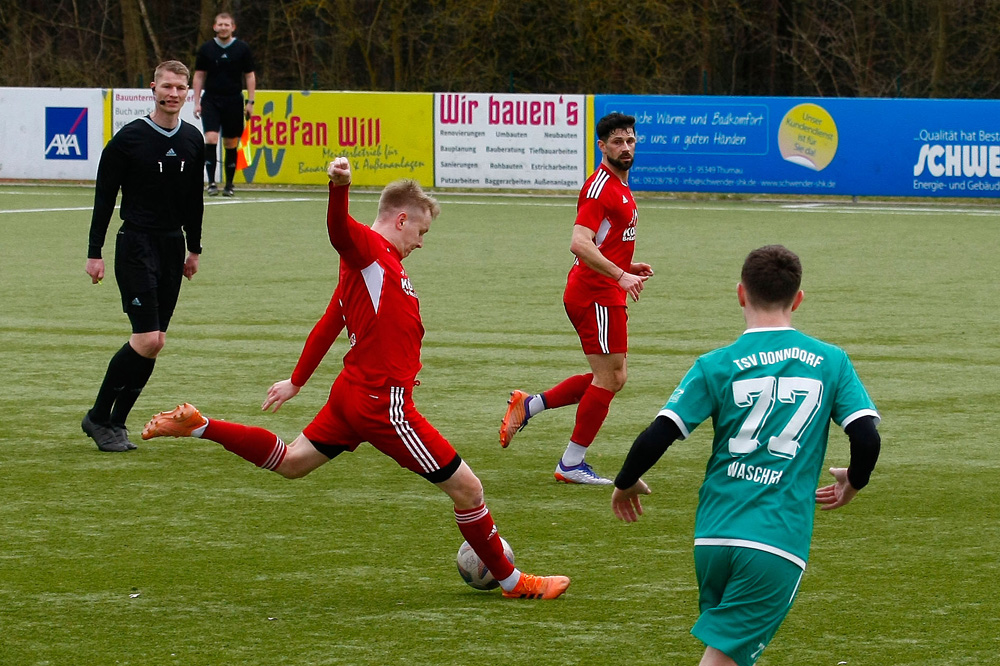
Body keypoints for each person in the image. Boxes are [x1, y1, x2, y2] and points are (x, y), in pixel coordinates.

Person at [141, 157, 571, 600]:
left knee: (292, 463)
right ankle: (515, 583)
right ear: (401, 219)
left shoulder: (374, 267)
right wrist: (338, 186)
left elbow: (331, 322)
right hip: (380, 403)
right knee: (468, 488)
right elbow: (339, 231)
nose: (421, 243)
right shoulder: (367, 249)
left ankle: (201, 425)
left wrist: (297, 381)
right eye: (421, 232)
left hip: (352, 394)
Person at [611, 245, 882, 666]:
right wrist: (855, 479)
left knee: (733, 656)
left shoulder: (715, 364)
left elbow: (657, 434)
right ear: (798, 299)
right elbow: (866, 437)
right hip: (775, 541)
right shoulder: (832, 361)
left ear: (740, 294)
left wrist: (625, 481)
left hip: (713, 537)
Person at [499, 112, 653, 484]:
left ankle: (529, 405)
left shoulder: (619, 184)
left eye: (630, 141)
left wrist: (628, 263)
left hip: (604, 290)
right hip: (595, 293)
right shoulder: (601, 188)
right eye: (617, 142)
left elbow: (601, 241)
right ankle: (570, 464)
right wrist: (620, 273)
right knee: (610, 377)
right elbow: (579, 243)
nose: (626, 147)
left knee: (613, 377)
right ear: (602, 147)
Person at [82, 60, 205, 453]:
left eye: (180, 88)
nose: (173, 94)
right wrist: (94, 253)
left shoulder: (192, 139)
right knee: (145, 337)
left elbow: (194, 201)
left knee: (156, 342)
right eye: (167, 86)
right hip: (135, 244)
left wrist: (194, 248)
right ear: (153, 88)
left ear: (188, 92)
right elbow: (104, 198)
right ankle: (100, 416)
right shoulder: (128, 139)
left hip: (172, 247)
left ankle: (115, 423)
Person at [193, 12, 256, 197]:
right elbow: (198, 75)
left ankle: (229, 184)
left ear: (233, 27)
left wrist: (250, 101)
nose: (223, 27)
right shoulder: (206, 49)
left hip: (234, 100)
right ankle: (211, 183)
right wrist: (196, 102)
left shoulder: (242, 48)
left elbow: (249, 75)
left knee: (231, 143)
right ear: (214, 27)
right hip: (211, 99)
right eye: (220, 24)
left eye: (226, 25)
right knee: (211, 138)